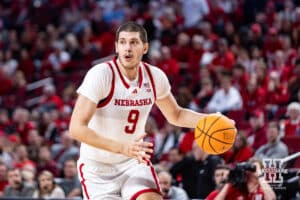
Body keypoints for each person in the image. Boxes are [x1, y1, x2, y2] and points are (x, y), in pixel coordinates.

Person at [69, 21, 234, 200]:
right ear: (116, 46)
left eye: (133, 42)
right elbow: (76, 128)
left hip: (133, 162)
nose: (127, 48)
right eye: (122, 42)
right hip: (98, 167)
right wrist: (122, 147)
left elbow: (176, 114)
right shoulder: (101, 75)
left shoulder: (155, 77)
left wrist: (211, 120)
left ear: (145, 47)